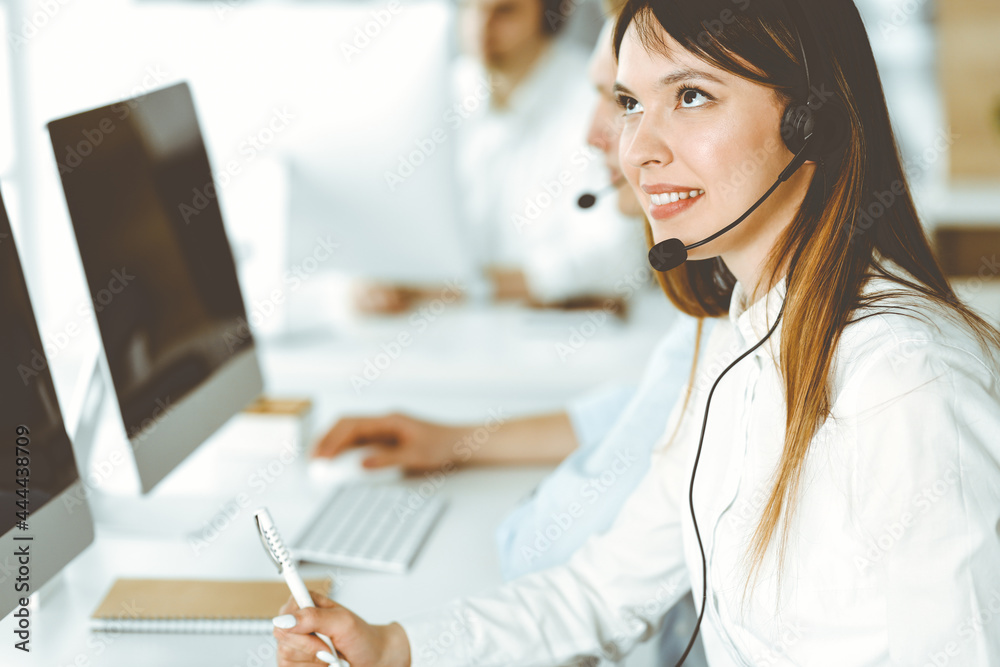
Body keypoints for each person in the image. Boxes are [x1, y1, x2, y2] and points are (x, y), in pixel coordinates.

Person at [272, 0, 1000, 664]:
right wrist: (394, 647)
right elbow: (600, 591)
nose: (636, 148)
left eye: (690, 97)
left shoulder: (905, 381)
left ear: (815, 122)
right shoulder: (736, 332)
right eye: (629, 102)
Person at [354, 0, 647, 314]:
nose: (482, 26)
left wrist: (458, 288)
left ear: (549, 18)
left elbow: (614, 262)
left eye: (504, 11)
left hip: (559, 344)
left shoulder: (597, 101)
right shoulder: (438, 94)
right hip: (448, 333)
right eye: (471, 8)